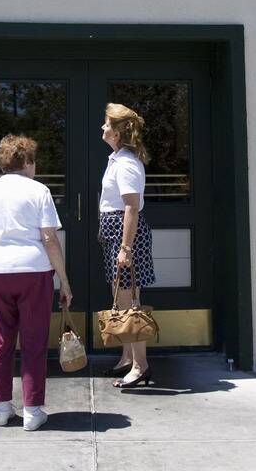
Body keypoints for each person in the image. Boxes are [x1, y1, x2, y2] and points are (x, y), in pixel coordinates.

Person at [0, 134, 72, 431]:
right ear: (27, 162)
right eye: (34, 161)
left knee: (0, 339)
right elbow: (49, 238)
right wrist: (64, 279)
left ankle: (1, 408)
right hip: (34, 271)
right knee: (33, 341)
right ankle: (33, 411)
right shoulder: (39, 191)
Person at [98, 103, 156, 389]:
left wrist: (125, 248)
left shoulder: (127, 164)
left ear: (119, 131)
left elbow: (131, 208)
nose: (103, 128)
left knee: (130, 300)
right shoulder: (117, 159)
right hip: (115, 233)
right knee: (120, 296)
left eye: (107, 124)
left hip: (125, 236)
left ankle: (140, 365)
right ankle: (126, 356)